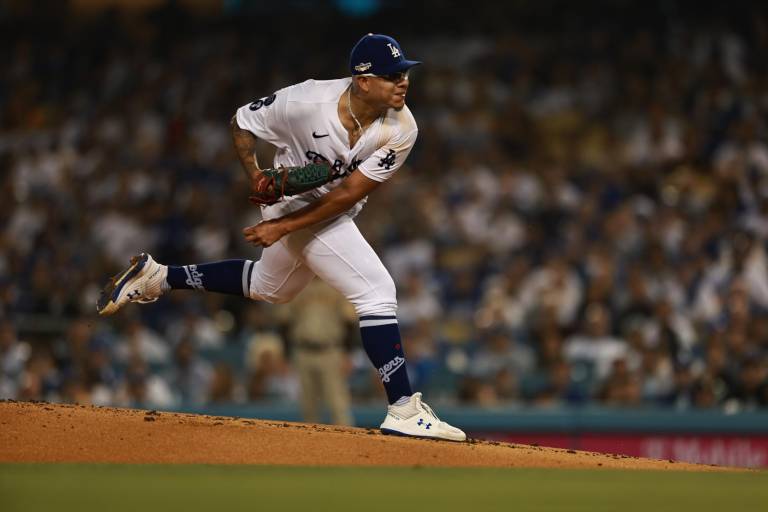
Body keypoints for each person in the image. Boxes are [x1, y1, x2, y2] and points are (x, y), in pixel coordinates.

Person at [96, 33, 466, 441]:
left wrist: (282, 228)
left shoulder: (402, 127)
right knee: (377, 292)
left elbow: (348, 194)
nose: (403, 81)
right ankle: (403, 408)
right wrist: (256, 176)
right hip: (289, 203)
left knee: (269, 287)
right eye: (392, 75)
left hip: (320, 210)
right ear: (362, 80)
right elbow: (240, 121)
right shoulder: (307, 102)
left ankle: (159, 276)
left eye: (404, 73)